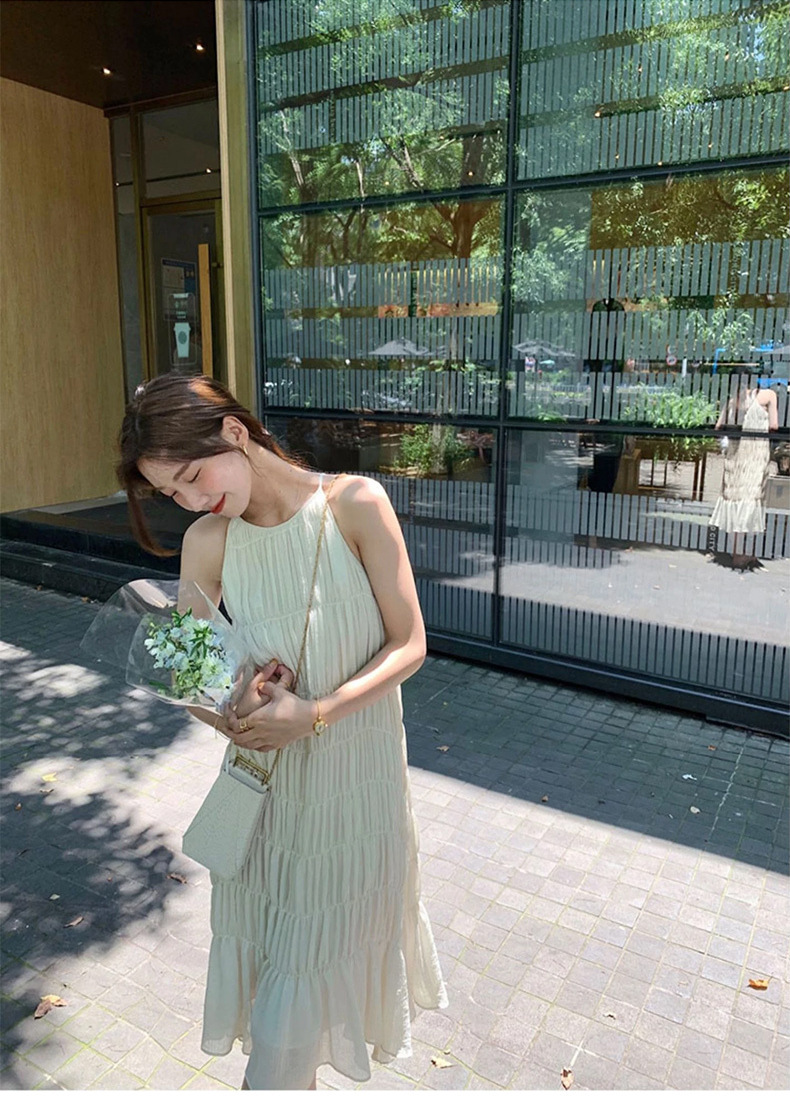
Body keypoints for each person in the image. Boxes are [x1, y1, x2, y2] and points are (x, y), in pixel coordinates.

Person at [117, 375, 447, 1090]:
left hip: (354, 807)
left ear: (234, 433)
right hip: (268, 813)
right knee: (286, 1025)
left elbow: (411, 643)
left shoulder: (354, 504)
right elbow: (193, 679)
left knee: (292, 1025)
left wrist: (315, 711)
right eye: (171, 493)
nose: (190, 501)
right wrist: (233, 709)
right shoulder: (209, 542)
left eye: (191, 477)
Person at [709, 385, 778, 570]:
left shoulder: (732, 401)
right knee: (751, 499)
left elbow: (718, 427)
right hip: (755, 454)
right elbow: (774, 426)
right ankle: (746, 552)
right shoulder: (768, 395)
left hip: (735, 456)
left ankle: (737, 551)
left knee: (735, 500)